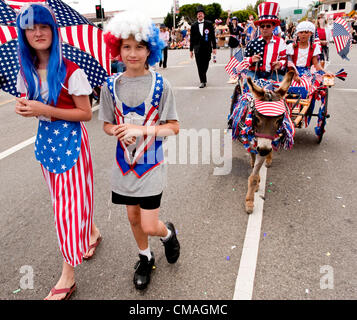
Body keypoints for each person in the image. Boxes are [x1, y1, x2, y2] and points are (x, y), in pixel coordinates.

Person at [15, 3, 101, 300]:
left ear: (53, 30)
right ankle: (91, 232)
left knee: (67, 209)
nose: (37, 32)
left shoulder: (70, 70)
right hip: (46, 145)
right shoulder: (25, 72)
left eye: (43, 26)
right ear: (23, 33)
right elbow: (31, 106)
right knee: (63, 202)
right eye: (30, 27)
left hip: (72, 144)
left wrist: (44, 109)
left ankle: (68, 276)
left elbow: (86, 113)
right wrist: (25, 107)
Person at [100, 11, 181, 291]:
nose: (132, 53)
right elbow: (106, 125)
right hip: (123, 165)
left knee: (149, 224)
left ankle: (168, 234)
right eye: (126, 47)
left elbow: (173, 127)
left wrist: (141, 130)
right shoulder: (110, 86)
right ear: (117, 49)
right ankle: (145, 257)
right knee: (133, 218)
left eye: (139, 47)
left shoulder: (162, 85)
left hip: (151, 165)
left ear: (150, 50)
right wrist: (117, 131)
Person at [243, 2, 287, 83]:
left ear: (273, 27)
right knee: (248, 84)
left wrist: (280, 64)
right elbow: (244, 60)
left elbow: (284, 59)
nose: (265, 28)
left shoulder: (280, 42)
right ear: (259, 28)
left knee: (284, 84)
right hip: (255, 72)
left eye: (268, 26)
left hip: (272, 73)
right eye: (262, 26)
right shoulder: (253, 42)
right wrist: (251, 59)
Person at [189, 5, 217, 88]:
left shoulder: (209, 24)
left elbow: (212, 36)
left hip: (207, 48)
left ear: (203, 15)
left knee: (206, 62)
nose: (199, 15)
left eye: (201, 13)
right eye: (198, 14)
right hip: (197, 48)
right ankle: (202, 81)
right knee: (199, 64)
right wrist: (191, 50)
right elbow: (192, 38)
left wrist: (214, 47)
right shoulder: (193, 25)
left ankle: (203, 74)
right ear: (197, 16)